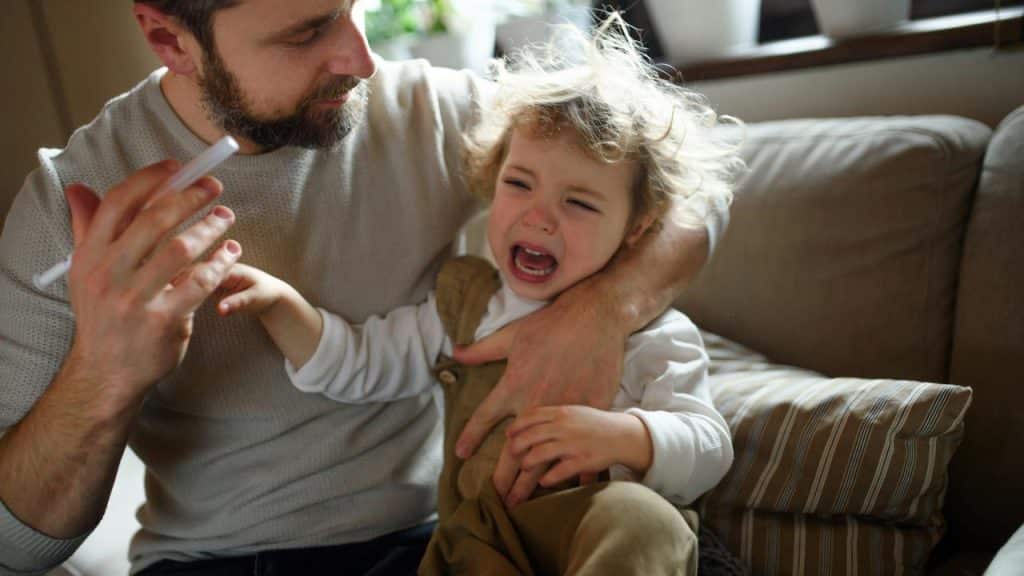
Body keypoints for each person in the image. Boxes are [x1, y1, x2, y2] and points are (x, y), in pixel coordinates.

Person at [0, 1, 730, 575]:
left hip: (433, 541)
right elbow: (16, 546)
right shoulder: (71, 207)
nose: (362, 58)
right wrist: (104, 372)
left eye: (355, 7)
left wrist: (599, 312)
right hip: (216, 561)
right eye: (307, 31)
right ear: (170, 39)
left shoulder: (433, 113)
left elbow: (696, 203)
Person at [212, 14, 740, 575]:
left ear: (638, 228)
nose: (538, 217)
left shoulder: (652, 332)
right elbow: (361, 362)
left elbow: (708, 446)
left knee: (646, 521)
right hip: (480, 543)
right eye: (519, 184)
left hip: (595, 533)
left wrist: (625, 437)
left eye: (579, 203)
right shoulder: (468, 306)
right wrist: (279, 304)